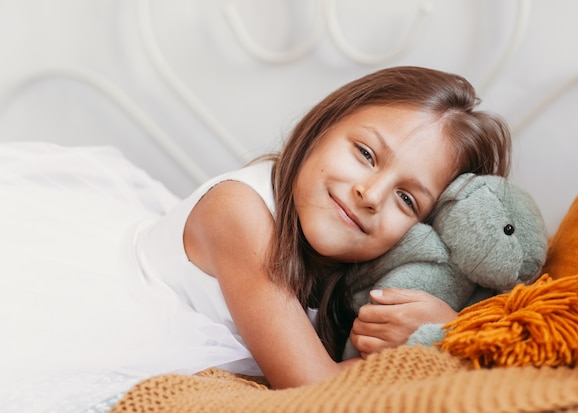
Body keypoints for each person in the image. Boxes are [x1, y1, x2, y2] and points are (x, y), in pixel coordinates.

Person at [0, 66, 511, 412]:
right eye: (365, 153)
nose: (370, 193)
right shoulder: (240, 215)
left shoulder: (383, 257)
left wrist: (447, 318)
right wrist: (437, 342)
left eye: (407, 199)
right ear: (321, 127)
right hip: (108, 310)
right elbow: (316, 391)